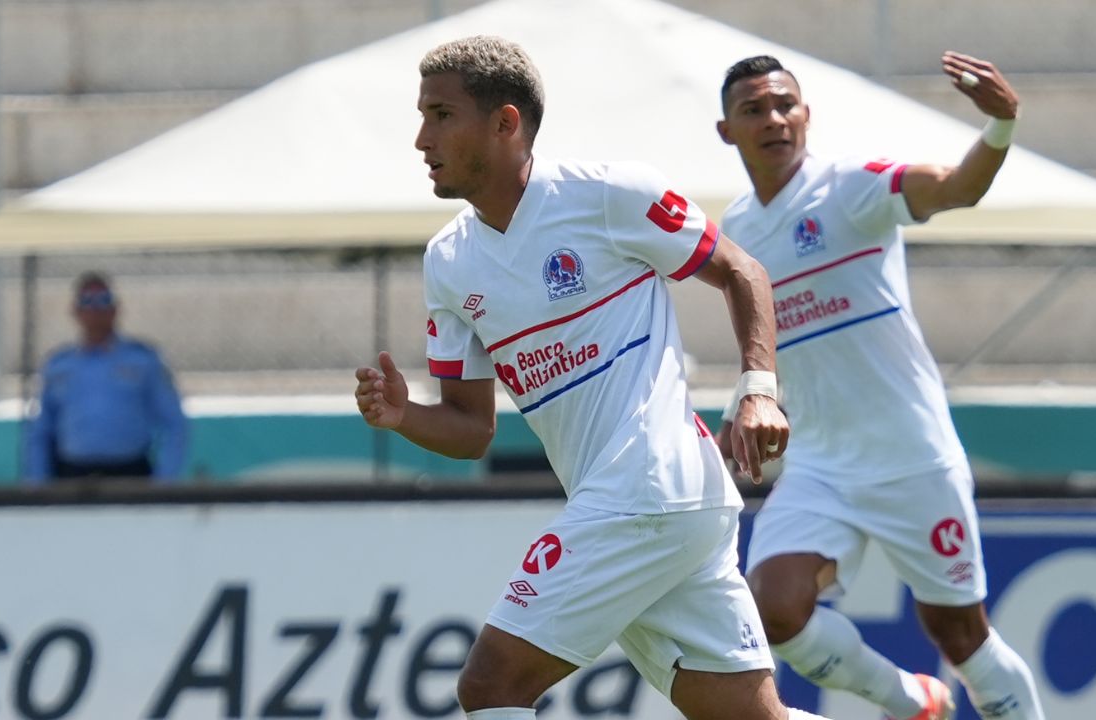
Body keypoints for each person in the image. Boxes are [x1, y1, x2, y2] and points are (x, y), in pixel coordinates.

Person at [355, 35, 832, 720]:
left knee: (491, 687)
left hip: (650, 484)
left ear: (505, 123)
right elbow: (471, 430)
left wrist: (759, 389)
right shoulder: (450, 262)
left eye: (440, 114)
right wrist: (404, 416)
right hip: (659, 506)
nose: (421, 138)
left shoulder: (609, 193)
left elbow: (741, 271)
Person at [713, 53, 1045, 720]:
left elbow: (955, 188)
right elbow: (764, 342)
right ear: (727, 131)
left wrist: (1001, 127)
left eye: (785, 105)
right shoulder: (738, 233)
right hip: (820, 465)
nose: (774, 119)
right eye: (754, 109)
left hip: (910, 456)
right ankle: (911, 701)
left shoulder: (851, 190)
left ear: (806, 116)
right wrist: (741, 404)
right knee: (771, 610)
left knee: (961, 636)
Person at [24, 271, 188, 484]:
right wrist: (37, 483)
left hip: (130, 475)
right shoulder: (59, 365)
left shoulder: (143, 360)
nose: (95, 310)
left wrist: (164, 482)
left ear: (116, 308)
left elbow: (174, 423)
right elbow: (41, 431)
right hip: (71, 477)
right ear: (75, 310)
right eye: (87, 302)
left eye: (103, 301)